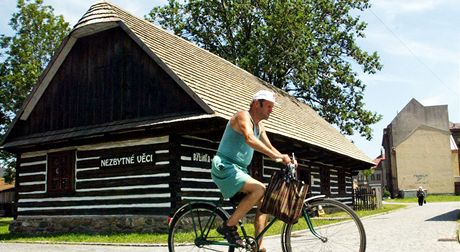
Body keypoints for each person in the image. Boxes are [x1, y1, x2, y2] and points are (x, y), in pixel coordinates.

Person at [211, 90, 294, 251]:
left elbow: (270, 147)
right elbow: (249, 138)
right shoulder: (243, 116)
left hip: (239, 170)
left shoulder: (259, 125)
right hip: (225, 166)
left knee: (265, 202)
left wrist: (284, 158)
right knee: (260, 189)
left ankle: (258, 244)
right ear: (257, 104)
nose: (272, 109)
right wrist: (275, 157)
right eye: (269, 106)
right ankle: (228, 226)